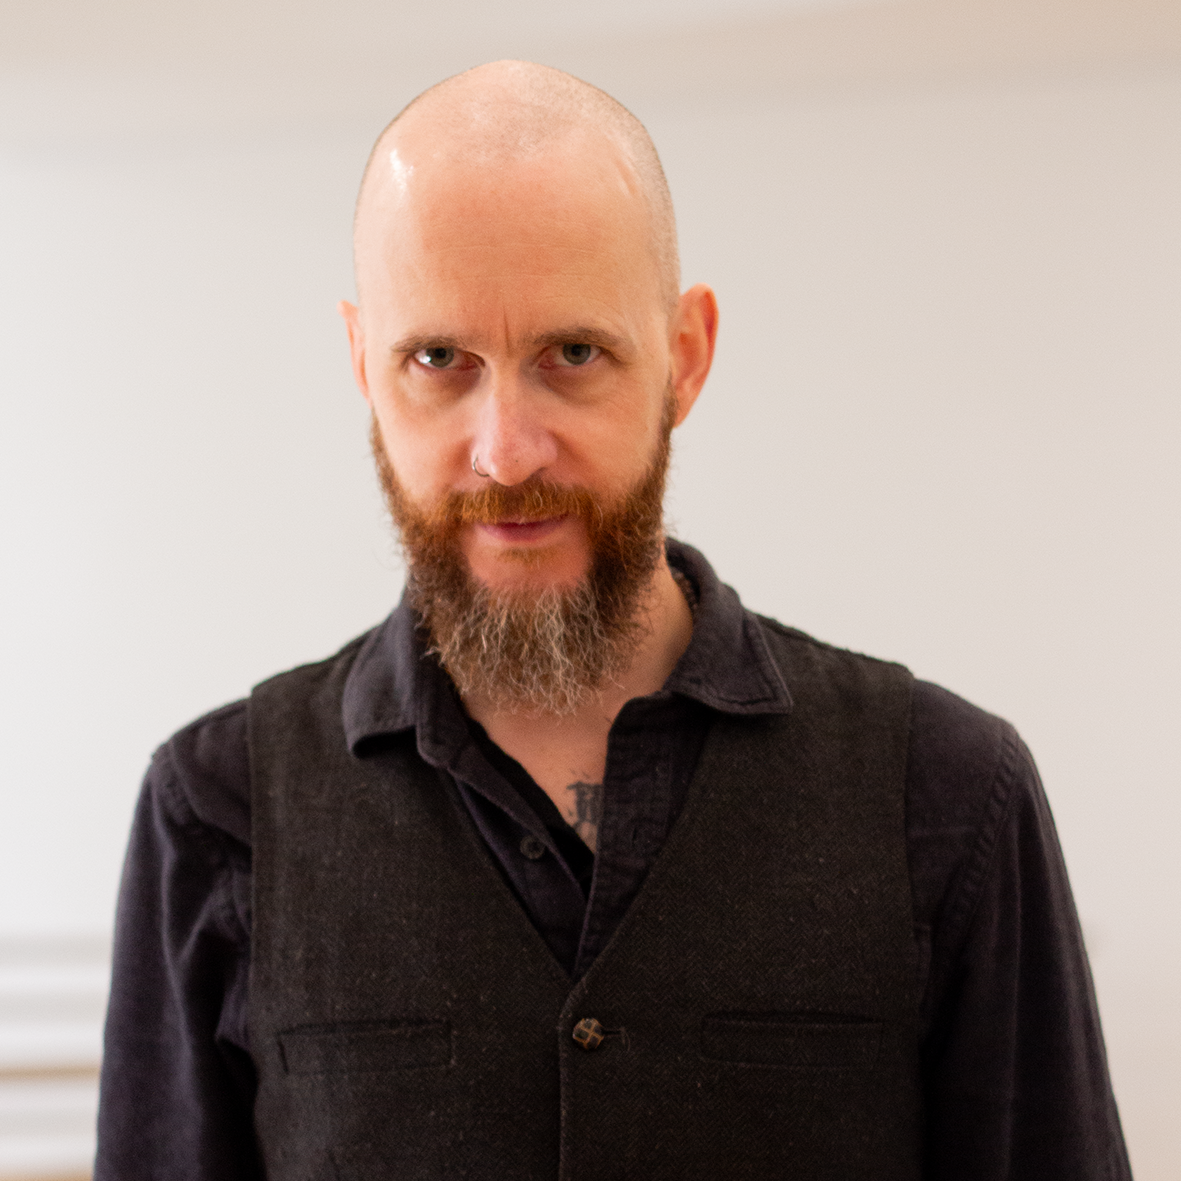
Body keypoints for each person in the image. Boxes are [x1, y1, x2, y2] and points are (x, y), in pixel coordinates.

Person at [95, 60, 1131, 1180]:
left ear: (684, 357)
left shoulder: (950, 791)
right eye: (438, 359)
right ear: (363, 366)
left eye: (572, 354)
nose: (505, 451)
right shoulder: (216, 811)